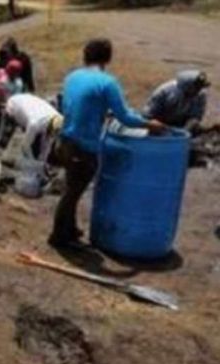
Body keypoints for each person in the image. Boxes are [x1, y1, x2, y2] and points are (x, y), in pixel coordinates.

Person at [50, 38, 166, 248]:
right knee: (72, 193)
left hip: (63, 141)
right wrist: (150, 125)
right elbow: (125, 117)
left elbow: (75, 103)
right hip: (83, 147)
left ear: (85, 55)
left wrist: (101, 111)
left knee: (72, 186)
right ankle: (58, 237)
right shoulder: (107, 82)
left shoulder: (72, 76)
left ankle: (71, 229)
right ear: (108, 58)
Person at [144, 70, 215, 134]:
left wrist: (186, 130)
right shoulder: (165, 91)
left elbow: (196, 116)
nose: (198, 90)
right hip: (160, 124)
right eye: (196, 88)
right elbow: (148, 115)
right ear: (187, 87)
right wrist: (155, 125)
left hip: (181, 125)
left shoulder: (200, 95)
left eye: (200, 87)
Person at [3, 93, 63, 165]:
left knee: (38, 140)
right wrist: (32, 162)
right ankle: (7, 158)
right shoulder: (35, 123)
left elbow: (47, 143)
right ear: (50, 126)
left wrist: (43, 162)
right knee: (20, 137)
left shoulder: (58, 119)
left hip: (30, 104)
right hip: (14, 105)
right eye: (51, 131)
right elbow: (25, 146)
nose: (52, 135)